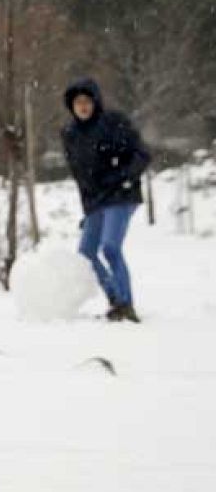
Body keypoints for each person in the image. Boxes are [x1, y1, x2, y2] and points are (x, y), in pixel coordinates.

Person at [61, 77, 151, 323]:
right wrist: (87, 211)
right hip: (96, 201)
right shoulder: (69, 134)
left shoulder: (113, 123)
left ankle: (126, 304)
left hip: (121, 194)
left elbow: (142, 155)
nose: (83, 106)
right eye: (77, 102)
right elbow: (81, 177)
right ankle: (114, 298)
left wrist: (124, 177)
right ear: (71, 106)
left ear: (96, 102)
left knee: (110, 247)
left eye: (87, 101)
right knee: (87, 253)